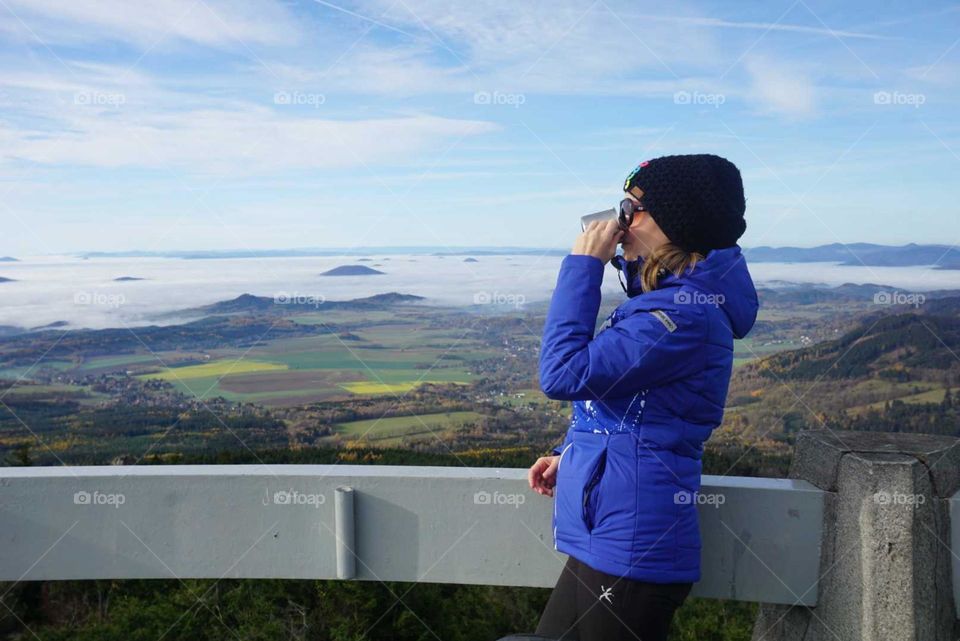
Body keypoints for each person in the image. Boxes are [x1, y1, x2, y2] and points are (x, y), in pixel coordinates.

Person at [527, 154, 759, 641]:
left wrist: (583, 267)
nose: (619, 223)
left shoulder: (682, 317)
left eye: (631, 209)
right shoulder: (662, 307)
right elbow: (630, 411)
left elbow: (564, 374)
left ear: (676, 224)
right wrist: (568, 453)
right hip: (608, 536)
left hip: (636, 548)